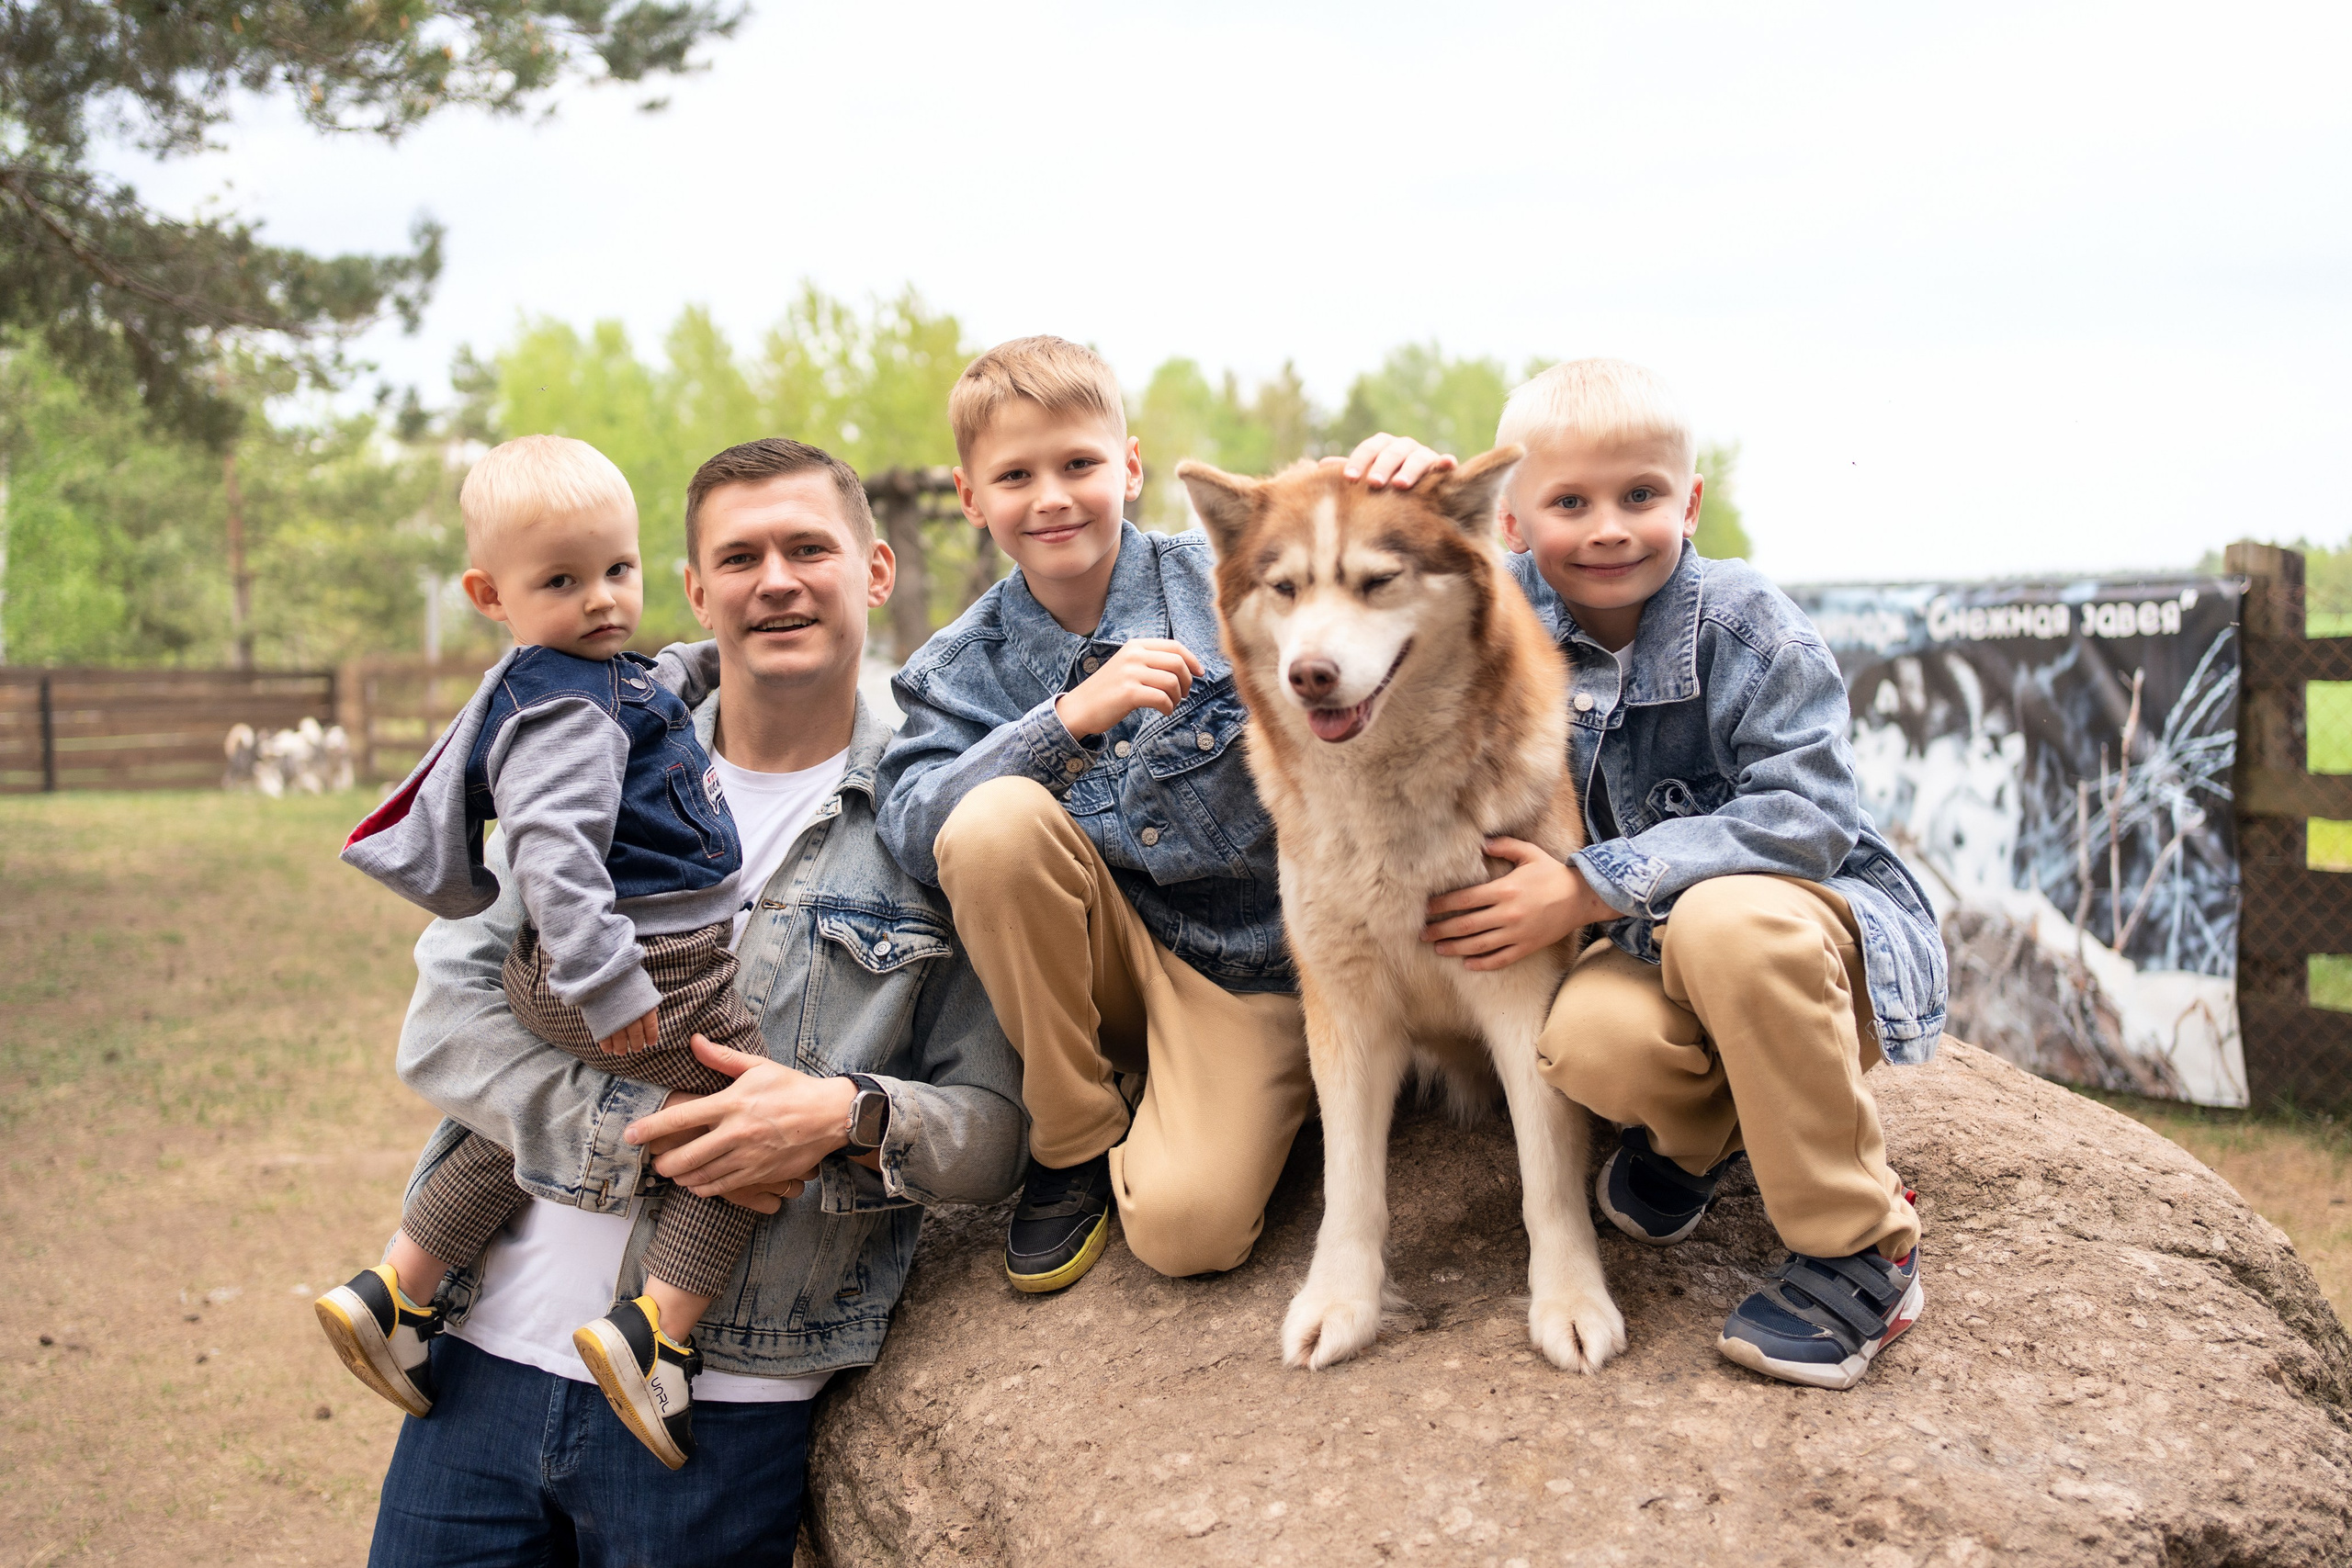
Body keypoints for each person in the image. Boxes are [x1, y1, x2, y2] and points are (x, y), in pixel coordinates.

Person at [367, 437, 1025, 1565]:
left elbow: (998, 1130)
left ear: (873, 571)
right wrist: (650, 1138)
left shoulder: (943, 821)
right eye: (740, 555)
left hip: (721, 1411)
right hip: (476, 1365)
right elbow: (445, 1024)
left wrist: (840, 1117)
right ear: (692, 589)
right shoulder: (587, 750)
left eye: (808, 548)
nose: (775, 579)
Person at [874, 334, 1445, 1292]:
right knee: (988, 823)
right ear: (972, 501)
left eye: (1079, 464)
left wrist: (1415, 492)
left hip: (1285, 956)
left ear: (1129, 469)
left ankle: (1271, 1091)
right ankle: (1075, 1136)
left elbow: (1455, 606)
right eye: (1014, 475)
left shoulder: (1241, 576)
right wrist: (1063, 723)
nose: (1051, 496)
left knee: (1187, 1227)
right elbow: (909, 824)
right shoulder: (958, 667)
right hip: (1154, 972)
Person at [1418, 358, 1947, 1391]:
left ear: (1689, 502)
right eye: (1569, 502)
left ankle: (1862, 1247)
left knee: (1719, 924)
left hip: (1809, 940)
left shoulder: (1747, 624)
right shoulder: (1499, 613)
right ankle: (1705, 1133)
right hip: (1650, 951)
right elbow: (1369, 591)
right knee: (1577, 1040)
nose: (1609, 526)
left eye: (1641, 496)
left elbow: (1809, 817)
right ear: (1513, 524)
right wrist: (1395, 482)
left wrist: (1586, 884)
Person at [322, 433, 773, 1472]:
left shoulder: (589, 673)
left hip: (575, 984)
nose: (603, 600)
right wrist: (608, 981)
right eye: (561, 581)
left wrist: (723, 654)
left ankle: (397, 1287)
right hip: (645, 974)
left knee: (515, 1132)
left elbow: (658, 678)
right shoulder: (562, 711)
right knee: (744, 1131)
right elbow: (554, 857)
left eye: (618, 570)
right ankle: (655, 1335)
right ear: (491, 593)